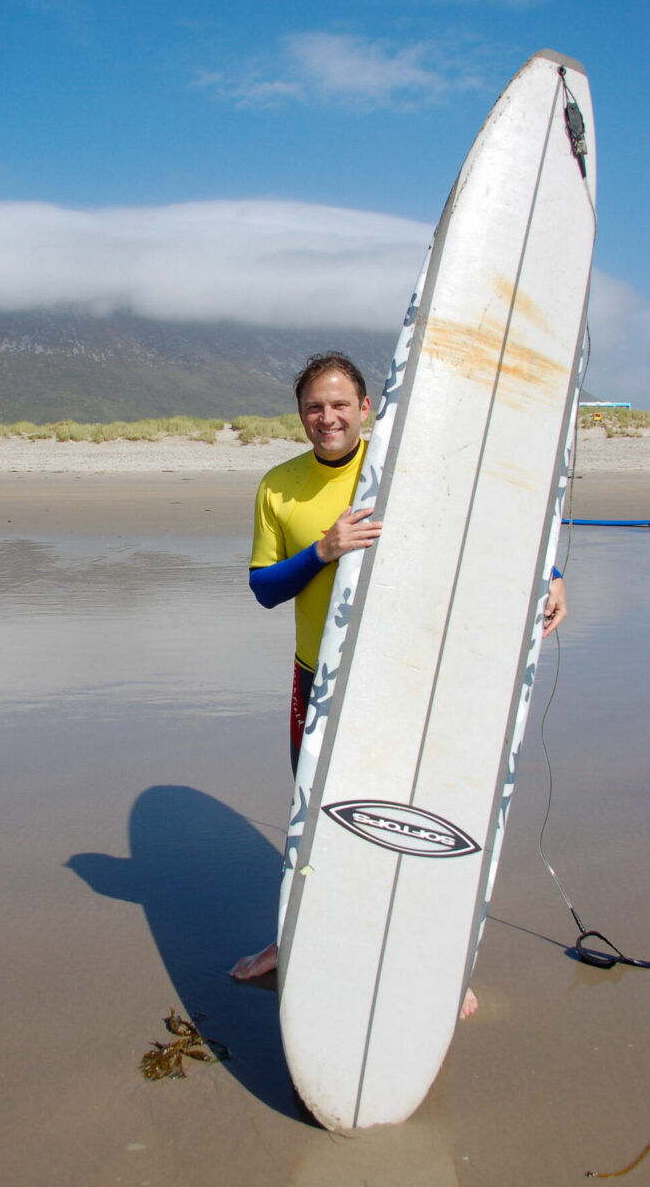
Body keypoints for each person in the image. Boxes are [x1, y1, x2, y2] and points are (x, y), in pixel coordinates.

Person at [229, 351, 568, 1019]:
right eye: (313, 407)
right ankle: (294, 939)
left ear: (365, 408)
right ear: (301, 415)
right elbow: (264, 588)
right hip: (318, 680)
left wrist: (549, 572)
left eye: (339, 404)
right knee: (312, 821)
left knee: (410, 816)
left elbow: (497, 503)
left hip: (399, 679)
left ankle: (428, 955)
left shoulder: (407, 464)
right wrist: (321, 551)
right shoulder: (278, 486)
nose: (326, 417)